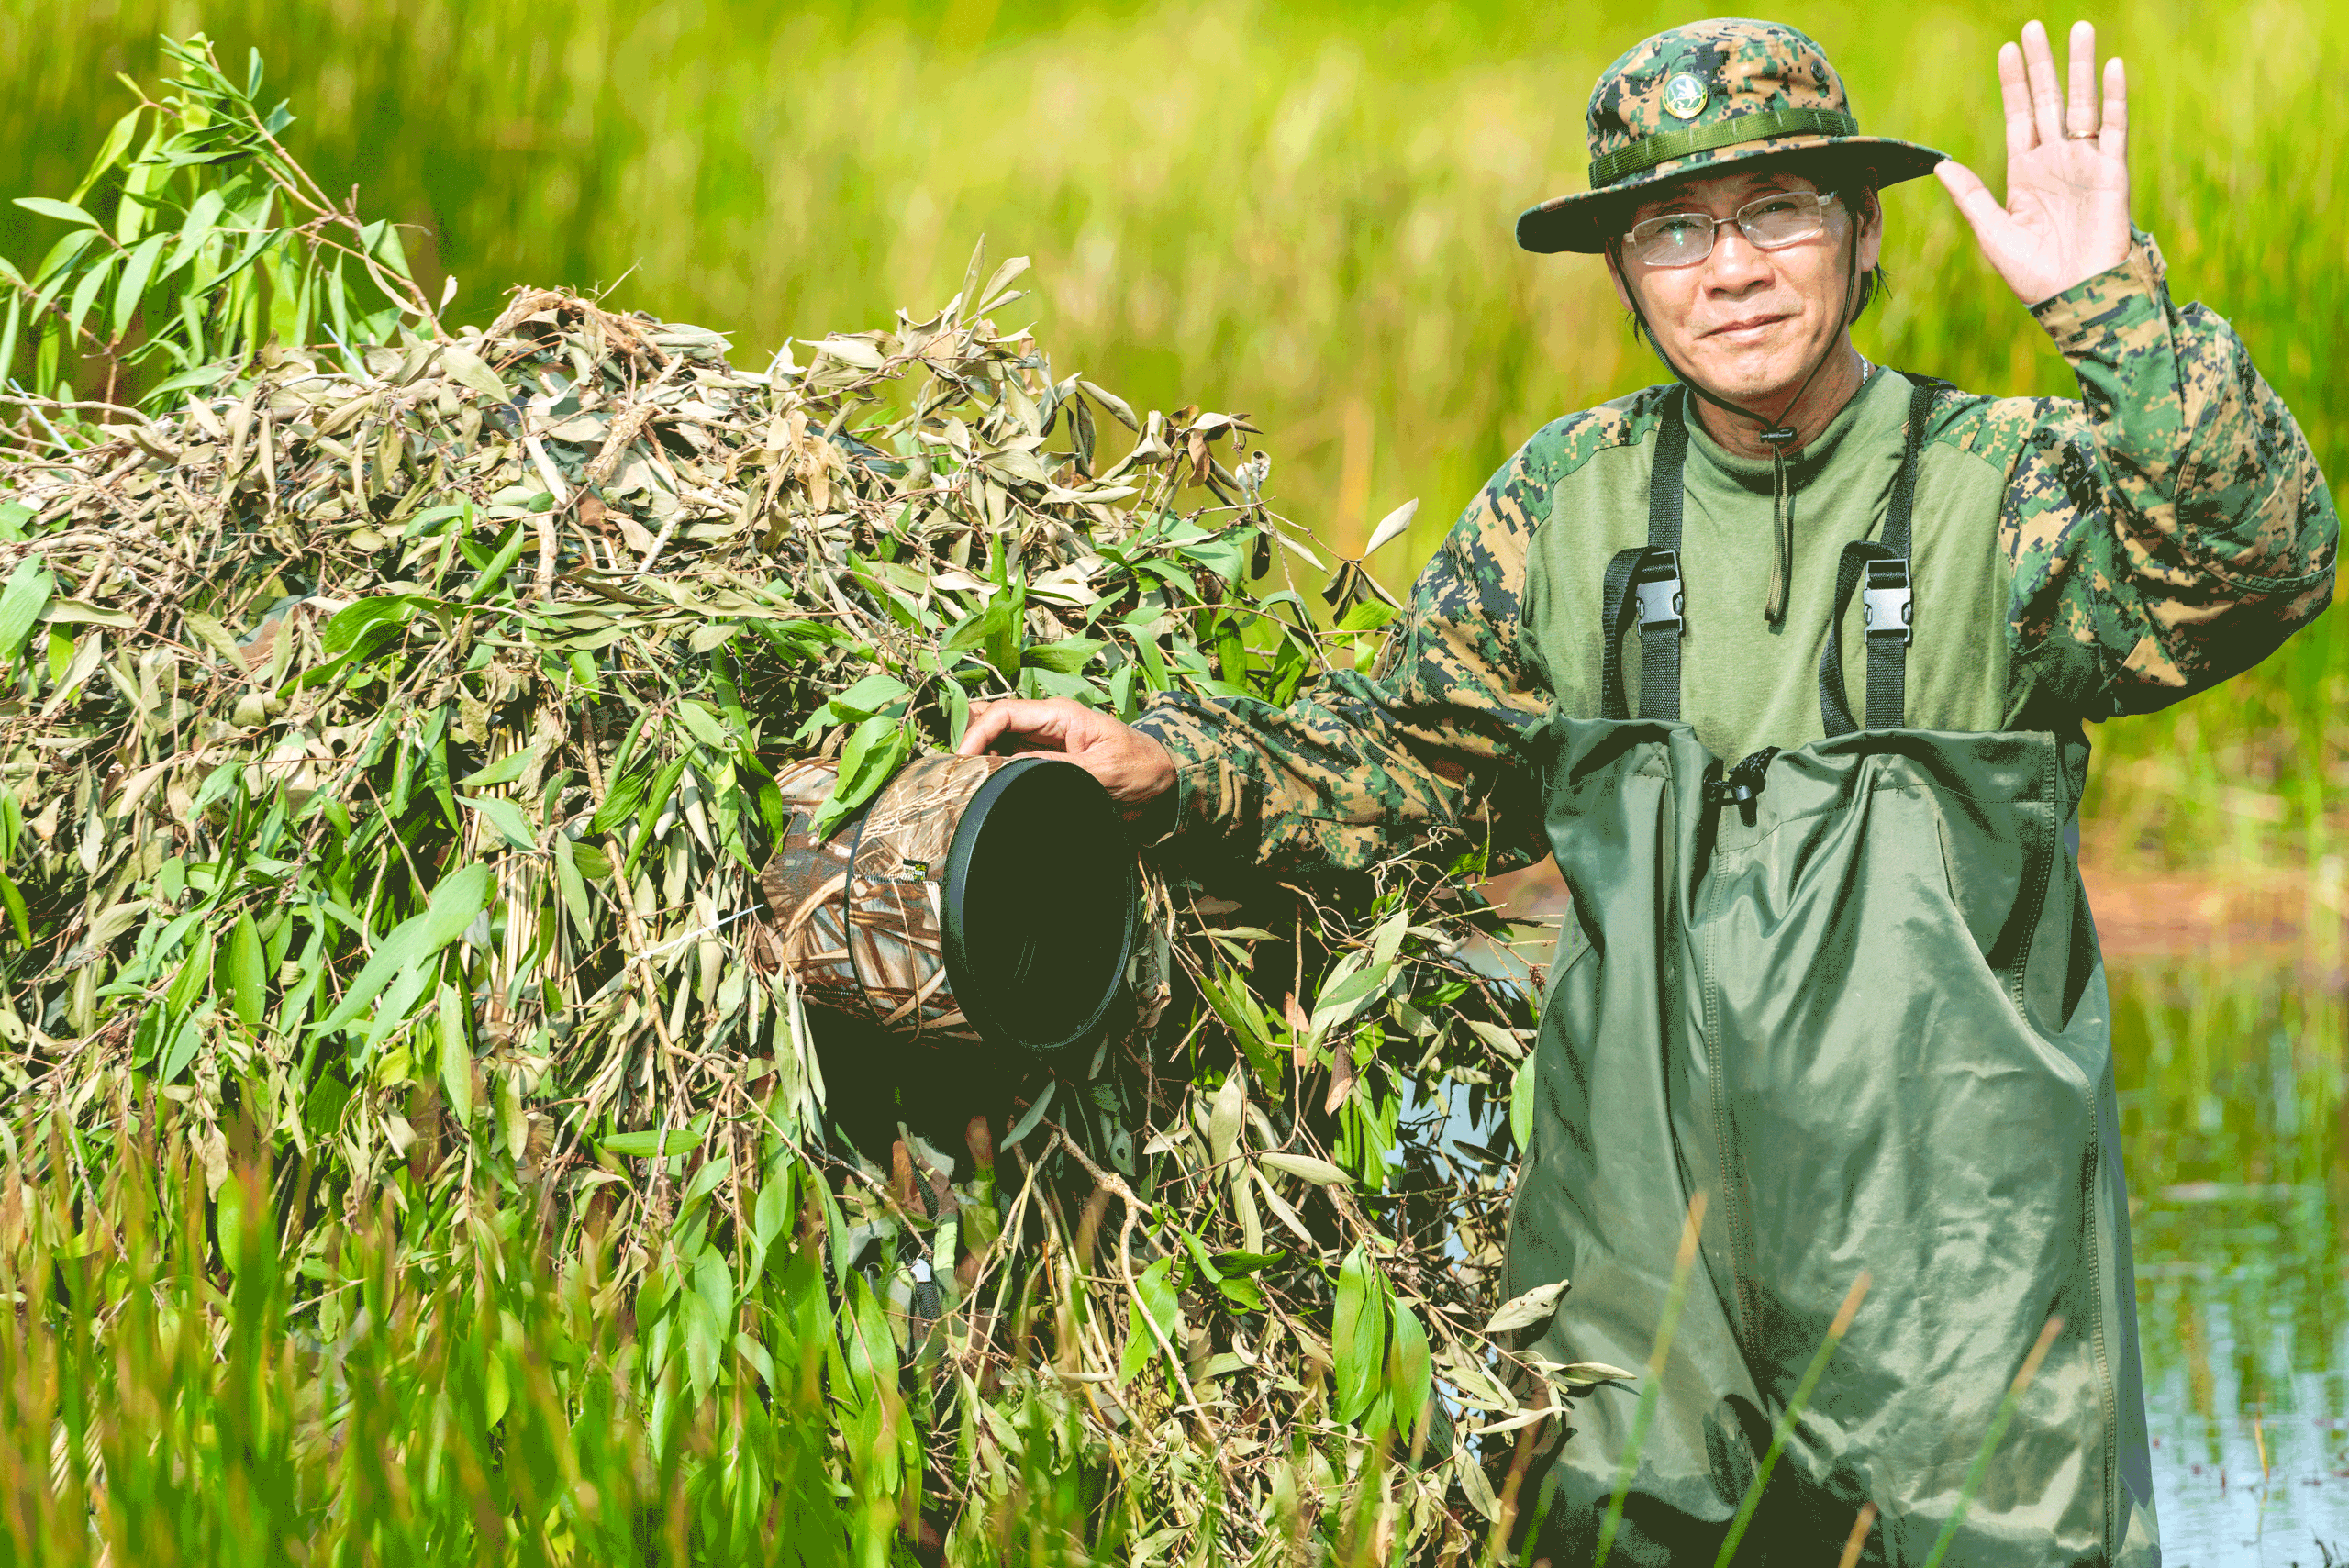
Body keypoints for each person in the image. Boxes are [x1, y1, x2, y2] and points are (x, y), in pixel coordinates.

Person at [959, 17, 2335, 1562]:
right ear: (1623, 273)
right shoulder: (1568, 503)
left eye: (1775, 212)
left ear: (1866, 233)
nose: (1727, 268)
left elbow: (2258, 569)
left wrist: (2110, 309)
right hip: (1639, 1313)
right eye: (1672, 228)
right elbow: (1401, 771)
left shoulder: (2003, 484)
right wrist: (1180, 769)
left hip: (1964, 1295)